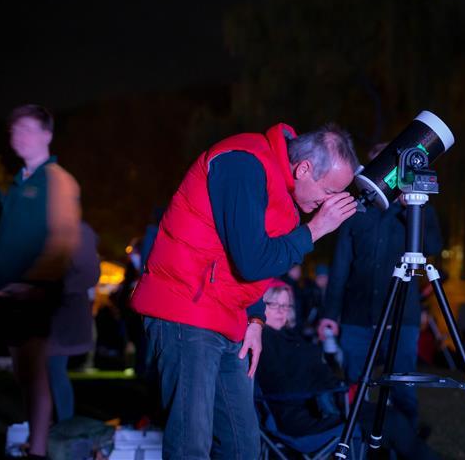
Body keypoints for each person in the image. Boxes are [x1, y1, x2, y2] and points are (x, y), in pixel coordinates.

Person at [130, 123, 359, 459]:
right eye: (328, 192)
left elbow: (248, 264)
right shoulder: (243, 162)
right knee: (190, 443)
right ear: (305, 168)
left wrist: (255, 320)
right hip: (187, 310)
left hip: (229, 318)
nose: (329, 204)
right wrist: (314, 230)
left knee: (242, 445)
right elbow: (252, 260)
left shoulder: (282, 191)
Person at [319, 143, 444, 428]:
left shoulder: (413, 209)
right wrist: (330, 313)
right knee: (356, 387)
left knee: (403, 389)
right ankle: (356, 444)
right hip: (357, 319)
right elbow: (340, 267)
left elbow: (434, 245)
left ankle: (405, 444)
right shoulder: (356, 211)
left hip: (402, 320)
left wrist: (414, 207)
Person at [258, 284, 438, 459]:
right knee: (391, 422)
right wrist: (335, 388)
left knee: (390, 418)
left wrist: (337, 386)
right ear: (260, 306)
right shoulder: (263, 342)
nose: (282, 311)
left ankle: (409, 445)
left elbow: (307, 373)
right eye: (274, 304)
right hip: (306, 417)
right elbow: (282, 384)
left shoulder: (289, 336)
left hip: (324, 404)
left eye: (286, 305)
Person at [0, 104, 81, 459]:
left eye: (29, 129)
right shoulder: (18, 184)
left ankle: (39, 450)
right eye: (16, 130)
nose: (21, 136)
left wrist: (36, 282)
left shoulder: (57, 179)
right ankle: (36, 442)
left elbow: (64, 237)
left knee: (33, 371)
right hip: (9, 291)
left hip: (34, 291)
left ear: (47, 135)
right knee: (22, 372)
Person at [48, 221, 100, 422]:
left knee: (53, 370)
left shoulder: (75, 233)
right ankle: (57, 423)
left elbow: (88, 274)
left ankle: (61, 423)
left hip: (57, 312)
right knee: (51, 371)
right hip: (54, 311)